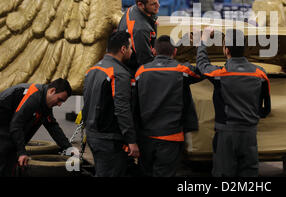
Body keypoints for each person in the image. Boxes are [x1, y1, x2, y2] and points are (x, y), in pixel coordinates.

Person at [196, 28, 271, 177]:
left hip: (226, 135)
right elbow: (266, 109)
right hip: (249, 134)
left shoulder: (220, 74)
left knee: (224, 174)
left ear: (226, 49)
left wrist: (202, 40)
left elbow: (202, 64)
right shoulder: (260, 73)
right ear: (244, 49)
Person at [134, 35, 202, 177]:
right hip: (170, 138)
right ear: (175, 52)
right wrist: (200, 44)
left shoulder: (141, 72)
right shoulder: (181, 70)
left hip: (145, 137)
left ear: (154, 51)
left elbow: (133, 105)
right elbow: (203, 71)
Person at [82, 31, 140, 177]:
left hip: (93, 134)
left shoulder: (93, 70)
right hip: (109, 140)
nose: (132, 51)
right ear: (123, 49)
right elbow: (122, 109)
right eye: (131, 48)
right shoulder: (119, 73)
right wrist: (131, 140)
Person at [0, 78, 73, 176]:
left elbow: (52, 126)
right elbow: (16, 125)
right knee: (6, 155)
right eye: (59, 100)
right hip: (3, 123)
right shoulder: (33, 97)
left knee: (12, 158)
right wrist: (22, 152)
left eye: (62, 102)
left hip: (9, 125)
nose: (59, 105)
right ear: (52, 91)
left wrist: (68, 148)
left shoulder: (45, 102)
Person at [118, 0, 160, 73]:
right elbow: (146, 62)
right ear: (141, 4)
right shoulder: (140, 29)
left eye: (157, 1)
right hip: (134, 72)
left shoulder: (133, 9)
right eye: (153, 4)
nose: (158, 5)